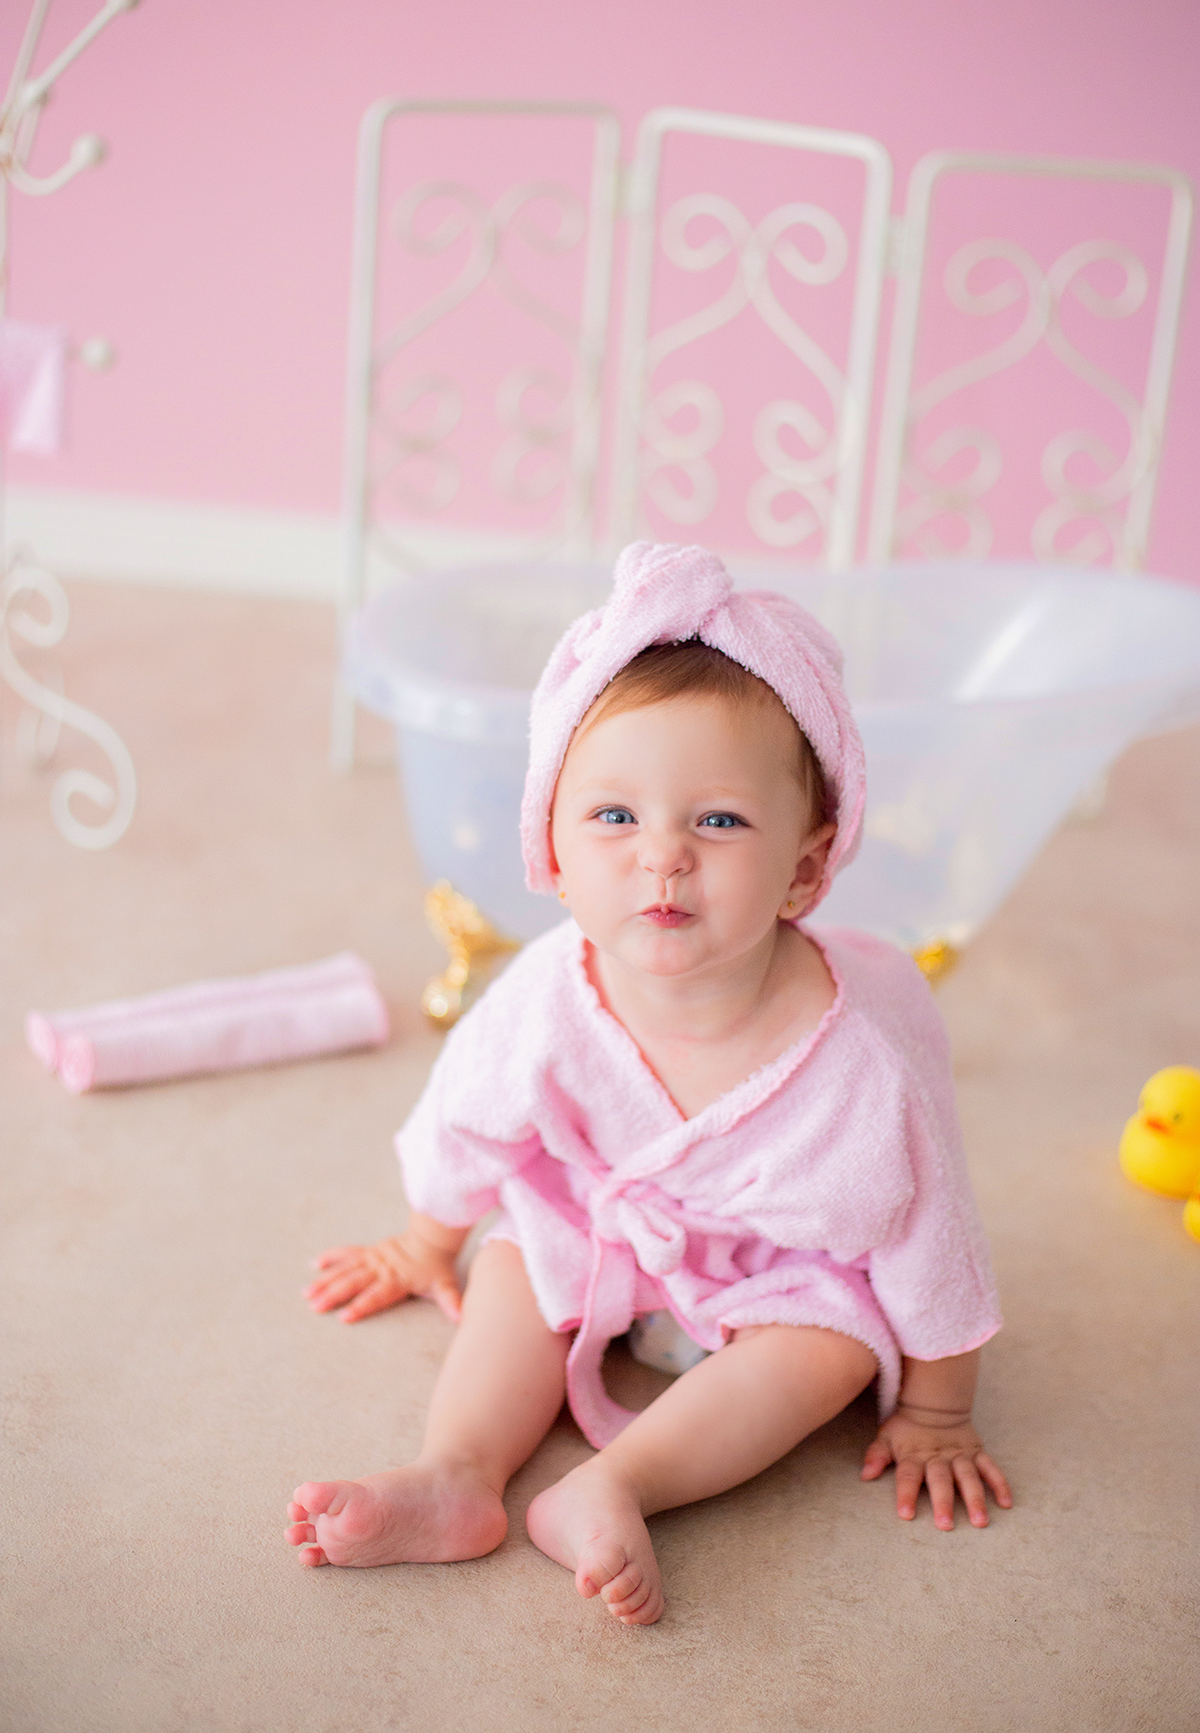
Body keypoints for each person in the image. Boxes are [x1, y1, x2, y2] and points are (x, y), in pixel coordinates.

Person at [286, 542, 1011, 1625]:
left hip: (777, 1271)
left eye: (718, 820)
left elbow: (929, 1229)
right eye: (615, 817)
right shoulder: (548, 994)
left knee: (830, 1349)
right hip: (603, 1223)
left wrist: (941, 1410)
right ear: (552, 848)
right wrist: (426, 1240)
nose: (662, 856)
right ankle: (457, 1474)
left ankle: (617, 1484)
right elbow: (466, 1119)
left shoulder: (861, 1061)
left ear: (806, 867)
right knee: (516, 1253)